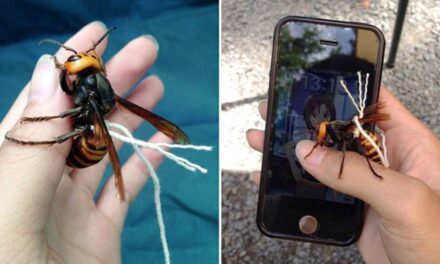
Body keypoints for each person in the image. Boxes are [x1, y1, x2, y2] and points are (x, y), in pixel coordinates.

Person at [0, 22, 170, 263]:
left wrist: (45, 118)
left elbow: (79, 108)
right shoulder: (92, 86)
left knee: (83, 124)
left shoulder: (90, 92)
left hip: (87, 150)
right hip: (90, 142)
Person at [246, 87, 440, 263]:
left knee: (358, 152)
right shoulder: (319, 135)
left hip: (368, 147)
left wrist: (340, 166)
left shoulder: (338, 130)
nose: (319, 131)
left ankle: (370, 170)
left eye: (323, 115)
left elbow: (346, 145)